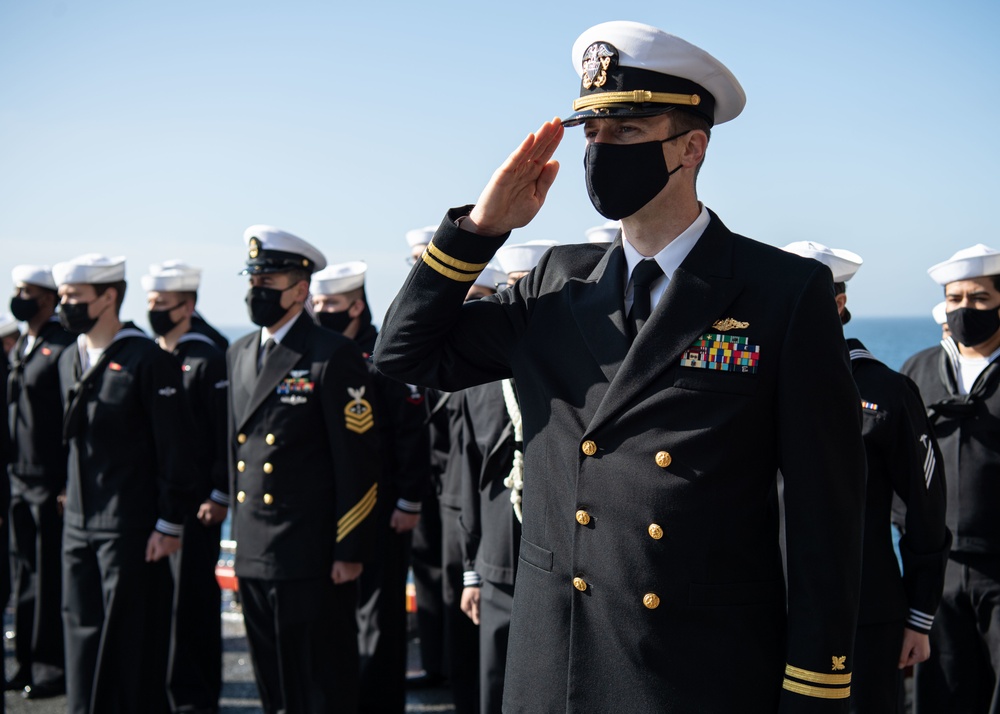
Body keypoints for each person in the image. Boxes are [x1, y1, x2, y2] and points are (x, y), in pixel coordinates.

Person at [375, 20, 867, 712]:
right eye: (594, 135)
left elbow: (826, 511)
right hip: (557, 665)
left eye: (629, 132)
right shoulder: (555, 283)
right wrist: (480, 231)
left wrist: (816, 685)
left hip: (694, 669)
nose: (601, 152)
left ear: (691, 147)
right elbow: (404, 352)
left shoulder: (781, 293)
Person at [783, 242, 951, 713]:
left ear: (839, 304)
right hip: (767, 608)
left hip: (864, 614)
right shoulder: (751, 384)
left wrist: (919, 616)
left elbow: (926, 507)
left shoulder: (887, 391)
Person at [227, 226, 381, 714]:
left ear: (300, 288)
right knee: (272, 684)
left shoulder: (330, 354)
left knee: (318, 686)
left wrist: (350, 548)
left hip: (311, 554)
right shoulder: (239, 353)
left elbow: (357, 462)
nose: (258, 291)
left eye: (269, 281)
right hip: (254, 549)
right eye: (253, 279)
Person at [54, 253, 197, 714]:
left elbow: (175, 447)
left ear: (109, 297)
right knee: (80, 636)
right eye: (63, 296)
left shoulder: (146, 360)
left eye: (75, 297)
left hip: (131, 527)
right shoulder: (67, 358)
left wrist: (170, 522)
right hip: (78, 522)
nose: (65, 304)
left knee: (130, 650)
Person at [310, 261, 430, 713]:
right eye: (317, 303)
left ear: (357, 305)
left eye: (332, 304)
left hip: (383, 506)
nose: (323, 311)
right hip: (338, 508)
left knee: (379, 617)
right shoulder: (324, 354)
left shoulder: (383, 353)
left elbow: (409, 430)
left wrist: (408, 499)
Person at [902, 244, 1000, 713]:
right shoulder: (917, 373)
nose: (965, 309)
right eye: (955, 299)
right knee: (937, 696)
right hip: (937, 574)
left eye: (979, 299)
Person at [458, 244, 546, 714]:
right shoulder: (480, 382)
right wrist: (471, 570)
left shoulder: (586, 380)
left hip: (563, 561)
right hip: (497, 560)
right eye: (510, 289)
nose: (517, 301)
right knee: (494, 685)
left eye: (529, 288)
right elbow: (468, 474)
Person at [142, 261, 229, 714]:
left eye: (163, 304)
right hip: (163, 501)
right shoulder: (155, 355)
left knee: (192, 604)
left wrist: (219, 494)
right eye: (151, 303)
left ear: (187, 306)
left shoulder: (207, 356)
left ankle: (195, 697)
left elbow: (223, 433)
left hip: (199, 506)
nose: (154, 311)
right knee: (164, 604)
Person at [5, 265, 73, 700]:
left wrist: (68, 481)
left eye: (27, 292)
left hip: (50, 480)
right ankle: (25, 662)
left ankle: (50, 668)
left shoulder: (61, 345)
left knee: (49, 580)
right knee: (23, 577)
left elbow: (69, 419)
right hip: (18, 479)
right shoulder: (24, 344)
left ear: (48, 299)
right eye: (16, 292)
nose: (19, 299)